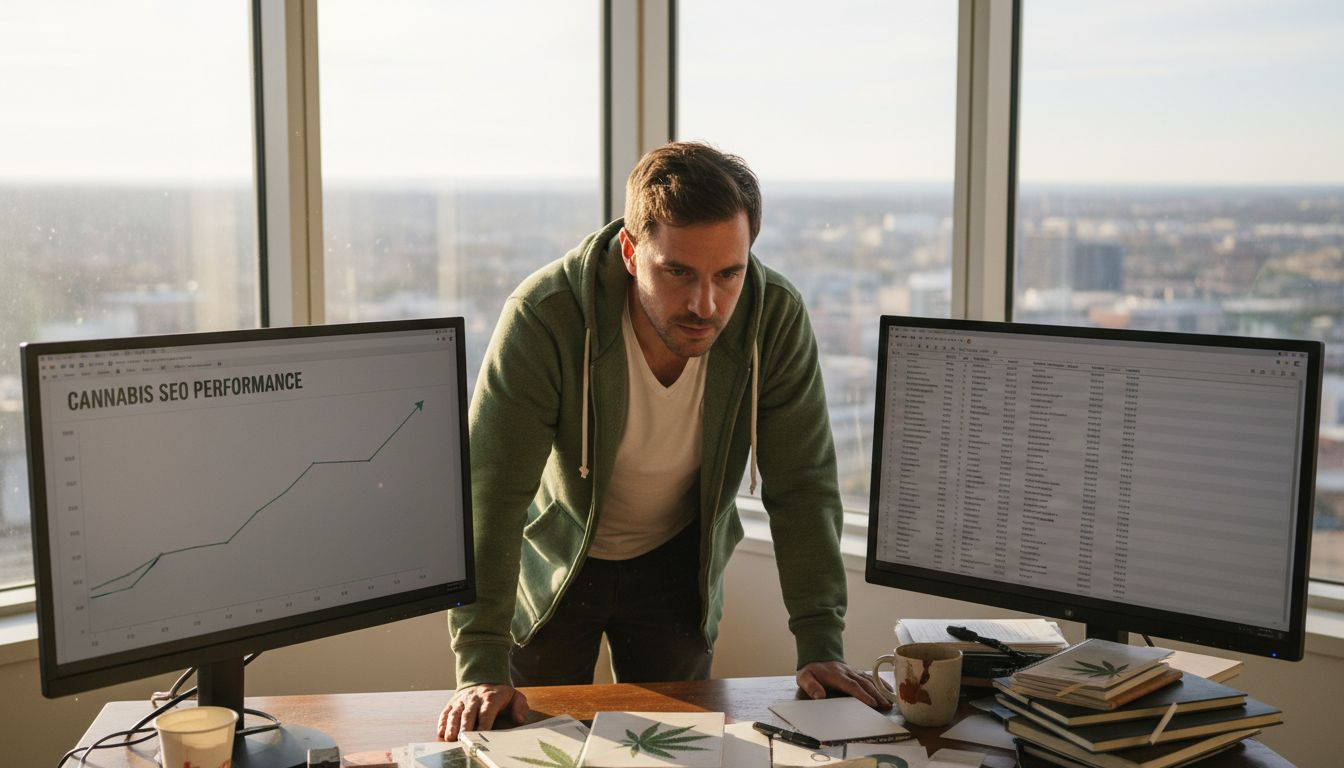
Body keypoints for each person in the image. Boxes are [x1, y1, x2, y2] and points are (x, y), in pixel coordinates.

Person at [437, 142, 887, 741]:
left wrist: (821, 644)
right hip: (557, 559)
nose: (705, 304)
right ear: (630, 251)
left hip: (679, 561)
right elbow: (490, 494)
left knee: (677, 747)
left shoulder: (773, 318)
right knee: (531, 741)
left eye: (729, 274)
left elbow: (803, 486)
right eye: (678, 272)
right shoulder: (546, 316)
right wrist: (480, 665)